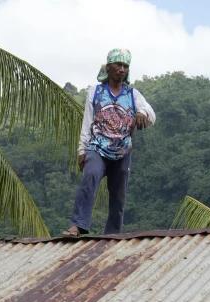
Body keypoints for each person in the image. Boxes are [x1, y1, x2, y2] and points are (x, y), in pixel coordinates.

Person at [63, 48, 155, 237]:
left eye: (125, 66)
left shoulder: (133, 94)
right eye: (118, 65)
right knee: (91, 175)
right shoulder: (95, 92)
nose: (122, 69)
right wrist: (82, 150)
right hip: (97, 147)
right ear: (108, 67)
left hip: (122, 151)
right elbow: (87, 122)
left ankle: (112, 233)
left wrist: (142, 113)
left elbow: (151, 114)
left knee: (118, 193)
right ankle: (78, 225)